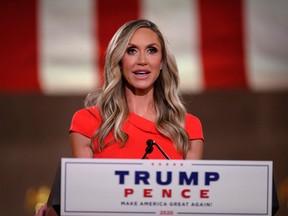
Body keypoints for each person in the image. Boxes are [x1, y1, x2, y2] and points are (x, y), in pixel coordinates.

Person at [35, 19, 204, 216]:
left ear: (163, 62)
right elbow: (85, 200)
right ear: (118, 60)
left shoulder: (187, 127)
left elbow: (189, 202)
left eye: (151, 50)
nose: (142, 60)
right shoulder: (87, 122)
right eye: (131, 50)